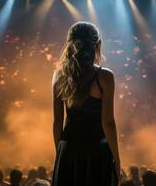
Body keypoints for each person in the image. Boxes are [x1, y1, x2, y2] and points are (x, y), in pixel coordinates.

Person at [51, 21, 120, 186]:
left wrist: (60, 154)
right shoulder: (104, 77)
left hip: (68, 146)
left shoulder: (59, 76)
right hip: (96, 149)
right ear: (96, 44)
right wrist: (117, 159)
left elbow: (58, 121)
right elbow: (108, 123)